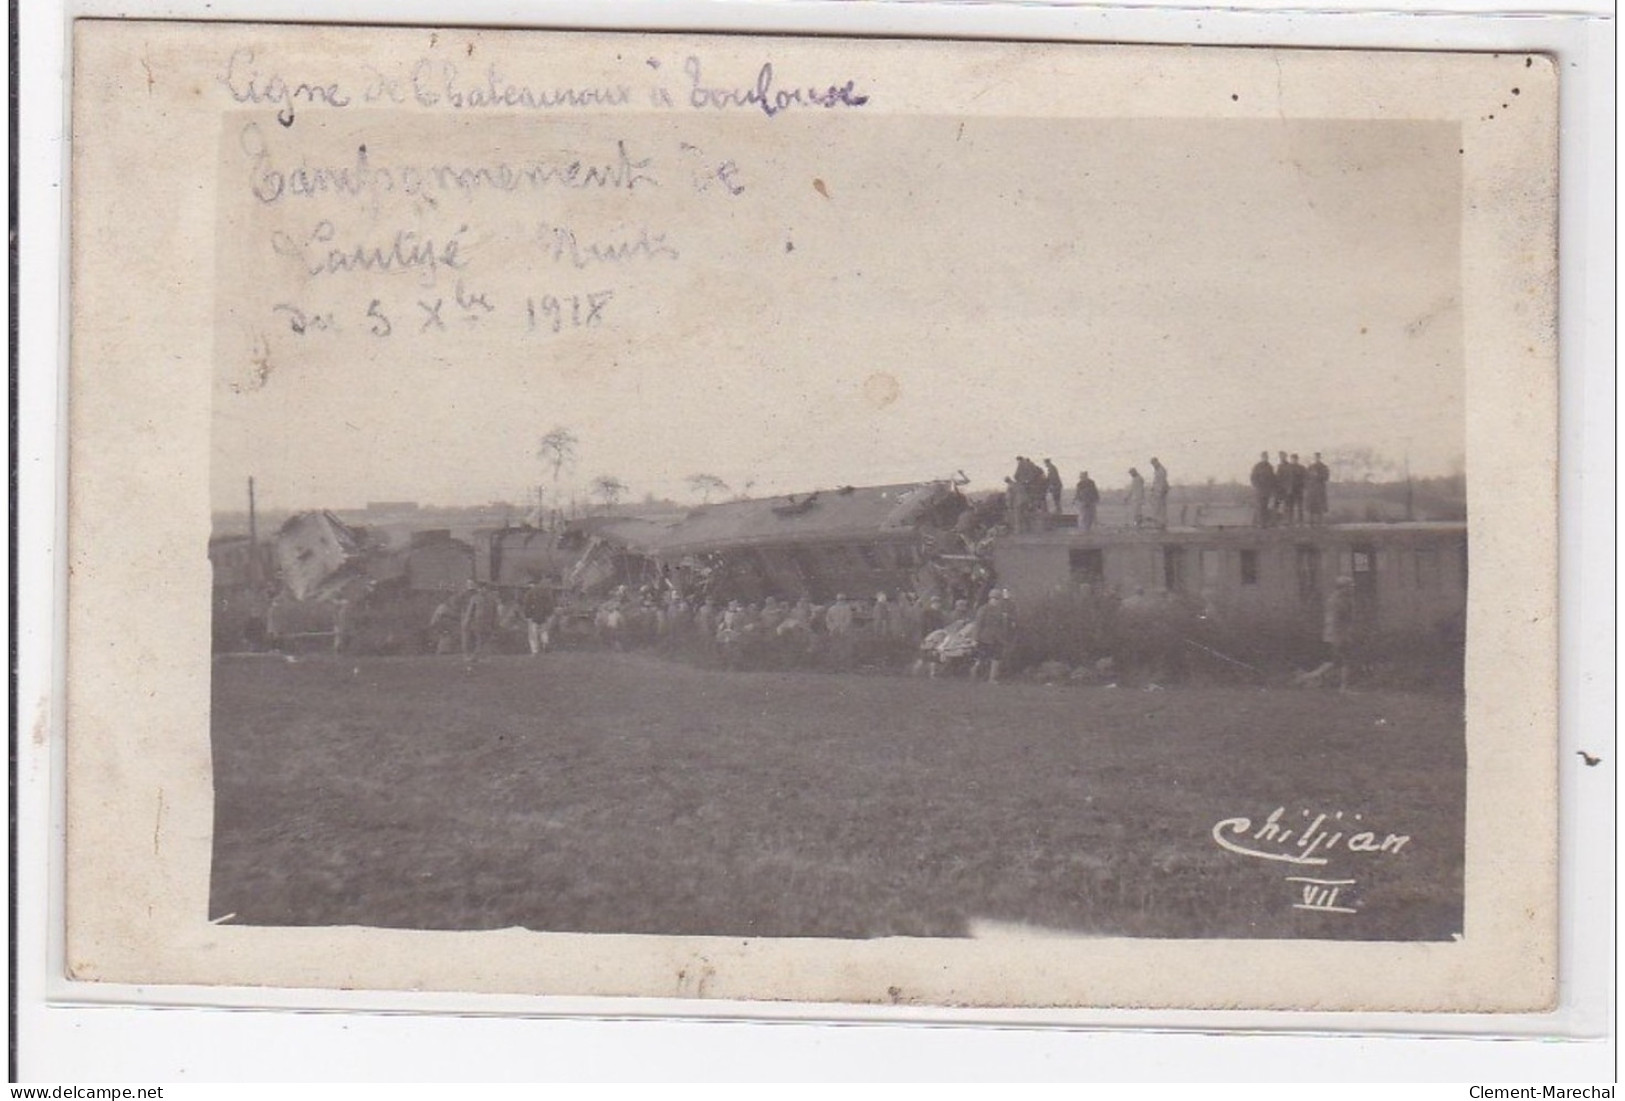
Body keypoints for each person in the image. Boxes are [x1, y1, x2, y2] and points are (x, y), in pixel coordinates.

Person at [971, 588, 1018, 683]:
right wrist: (975, 639)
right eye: (994, 599)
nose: (996, 601)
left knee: (996, 658)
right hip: (984, 638)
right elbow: (978, 624)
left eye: (997, 599)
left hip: (997, 638)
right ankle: (974, 674)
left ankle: (992, 678)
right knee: (981, 658)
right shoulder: (983, 609)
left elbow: (1003, 623)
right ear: (990, 599)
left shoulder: (1000, 611)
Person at [1322, 575, 1356, 690]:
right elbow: (1337, 620)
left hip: (1337, 634)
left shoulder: (1340, 600)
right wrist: (1342, 636)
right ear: (1342, 588)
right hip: (1338, 634)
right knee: (1344, 661)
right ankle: (1343, 688)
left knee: (1335, 662)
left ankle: (1306, 678)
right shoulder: (1337, 602)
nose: (1352, 589)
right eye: (1350, 587)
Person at [521, 580, 556, 655]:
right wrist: (548, 613)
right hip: (543, 615)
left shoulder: (529, 593)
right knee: (543, 631)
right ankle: (545, 642)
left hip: (532, 616)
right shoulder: (545, 592)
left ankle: (535, 650)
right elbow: (550, 604)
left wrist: (527, 615)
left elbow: (526, 605)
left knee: (533, 634)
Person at [1250, 452, 1277, 528]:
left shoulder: (1270, 467)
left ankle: (1263, 523)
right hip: (1259, 489)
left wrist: (1272, 488)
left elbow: (1272, 478)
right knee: (1259, 506)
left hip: (1267, 490)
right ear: (1261, 457)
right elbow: (1253, 477)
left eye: (1266, 457)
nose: (1265, 458)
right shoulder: (1257, 466)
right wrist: (1256, 486)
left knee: (1265, 506)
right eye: (1264, 457)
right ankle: (1257, 523)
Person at [1306, 452, 1331, 525]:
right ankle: (1311, 521)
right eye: (1315, 457)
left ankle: (1320, 521)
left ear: (1320, 458)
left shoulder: (1324, 467)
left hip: (1320, 489)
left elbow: (1326, 477)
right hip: (1312, 489)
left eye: (1318, 457)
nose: (1316, 459)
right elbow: (1307, 477)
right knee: (1311, 505)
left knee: (1320, 505)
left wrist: (1317, 476)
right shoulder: (1310, 467)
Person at [1149, 458, 1169, 529]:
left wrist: (1159, 492)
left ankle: (1161, 523)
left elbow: (1162, 482)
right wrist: (1153, 489)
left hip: (1160, 492)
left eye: (1153, 463)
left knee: (1160, 508)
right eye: (1152, 464)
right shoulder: (1157, 470)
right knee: (1158, 508)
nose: (1153, 465)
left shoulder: (1161, 470)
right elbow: (1156, 482)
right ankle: (1159, 523)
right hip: (1157, 491)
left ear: (1157, 462)